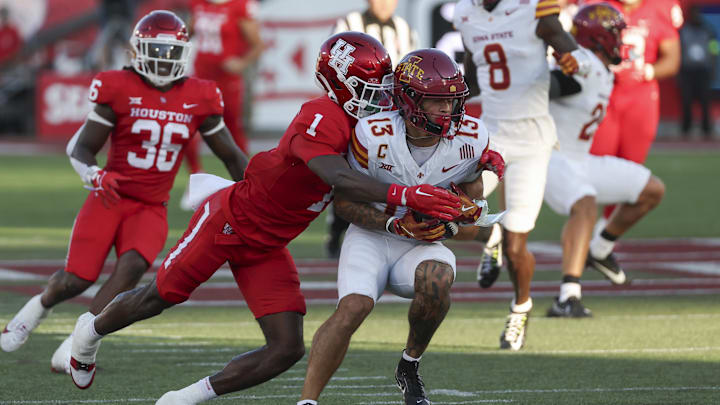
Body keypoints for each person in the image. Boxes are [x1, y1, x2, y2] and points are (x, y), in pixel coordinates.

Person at [67, 32, 463, 403]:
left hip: (269, 244)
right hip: (229, 221)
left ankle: (182, 398)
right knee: (159, 297)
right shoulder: (321, 114)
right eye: (370, 92)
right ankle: (89, 333)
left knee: (286, 349)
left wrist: (476, 162)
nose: (381, 103)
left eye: (385, 93)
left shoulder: (373, 124)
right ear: (341, 85)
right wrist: (407, 195)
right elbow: (335, 176)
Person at [0, 10, 247, 373]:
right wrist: (97, 175)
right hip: (109, 198)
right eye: (155, 51)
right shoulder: (118, 86)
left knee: (132, 266)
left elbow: (231, 156)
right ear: (136, 51)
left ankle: (76, 341)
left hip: (151, 206)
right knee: (76, 279)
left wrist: (257, 188)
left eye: (169, 51)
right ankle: (39, 306)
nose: (162, 60)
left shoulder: (200, 95)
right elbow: (80, 147)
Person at [297, 49, 505, 405]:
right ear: (408, 101)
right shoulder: (372, 134)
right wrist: (396, 225)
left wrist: (461, 216)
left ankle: (410, 364)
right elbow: (345, 204)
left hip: (423, 243)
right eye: (437, 102)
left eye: (452, 101)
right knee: (353, 308)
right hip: (374, 234)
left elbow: (470, 213)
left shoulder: (471, 136)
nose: (448, 111)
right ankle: (307, 401)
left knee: (437, 279)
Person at [454, 0, 588, 350]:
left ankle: (520, 307)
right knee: (453, 204)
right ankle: (490, 233)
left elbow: (570, 50)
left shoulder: (534, 7)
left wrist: (577, 60)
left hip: (532, 140)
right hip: (492, 133)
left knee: (517, 249)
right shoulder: (465, 13)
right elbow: (472, 78)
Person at [544, 3, 665, 317]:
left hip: (581, 159)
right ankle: (567, 296)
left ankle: (598, 250)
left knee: (651, 190)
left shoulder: (600, 67)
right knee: (584, 205)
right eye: (616, 34)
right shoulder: (584, 61)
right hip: (550, 158)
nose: (620, 40)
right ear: (598, 38)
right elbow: (555, 84)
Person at [326, 0, 419, 258]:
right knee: (349, 170)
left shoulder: (404, 28)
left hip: (390, 109)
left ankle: (390, 223)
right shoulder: (349, 24)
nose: (386, 3)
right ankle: (338, 228)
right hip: (355, 107)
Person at [586, 0, 682, 221]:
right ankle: (586, 232)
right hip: (603, 97)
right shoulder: (597, 5)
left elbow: (672, 60)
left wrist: (646, 71)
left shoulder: (660, 6)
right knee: (594, 171)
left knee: (630, 172)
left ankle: (602, 243)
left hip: (640, 98)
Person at [179, 0, 264, 210]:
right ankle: (195, 178)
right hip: (201, 78)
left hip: (227, 81)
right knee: (185, 126)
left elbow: (258, 44)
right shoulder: (198, 4)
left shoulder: (240, 5)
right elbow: (186, 34)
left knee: (233, 131)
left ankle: (246, 183)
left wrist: (241, 63)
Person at [679, 5, 718, 139]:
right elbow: (678, 50)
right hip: (687, 71)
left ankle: (706, 129)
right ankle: (686, 129)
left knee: (705, 100)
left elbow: (714, 48)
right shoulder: (683, 30)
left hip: (703, 70)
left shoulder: (707, 30)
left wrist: (712, 66)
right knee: (686, 100)